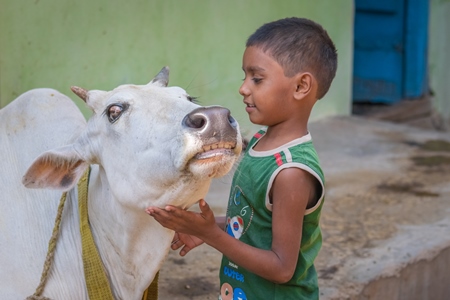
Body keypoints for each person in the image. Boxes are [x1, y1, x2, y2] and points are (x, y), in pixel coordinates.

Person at [146, 17, 337, 299]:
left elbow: (282, 268)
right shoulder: (260, 142)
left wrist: (213, 235)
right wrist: (203, 226)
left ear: (300, 87)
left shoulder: (291, 173)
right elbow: (254, 222)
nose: (243, 88)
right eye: (245, 76)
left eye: (257, 79)